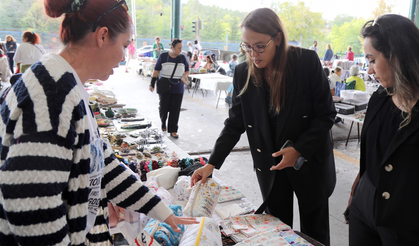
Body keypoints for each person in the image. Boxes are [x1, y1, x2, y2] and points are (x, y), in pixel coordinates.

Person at [0, 0, 197, 245]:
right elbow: (31, 207)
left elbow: (100, 163)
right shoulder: (52, 96)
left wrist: (161, 211)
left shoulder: (66, 84)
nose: (125, 56)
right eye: (125, 45)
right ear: (103, 36)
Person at [191, 8, 336, 245]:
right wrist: (212, 163)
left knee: (315, 232)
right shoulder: (242, 72)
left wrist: (298, 148)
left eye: (259, 46)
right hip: (271, 166)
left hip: (309, 162)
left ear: (277, 39)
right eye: (246, 46)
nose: (253, 53)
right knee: (276, 231)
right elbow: (235, 123)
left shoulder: (305, 62)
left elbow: (326, 115)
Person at [348, 14, 419, 245]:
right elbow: (373, 153)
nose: (368, 70)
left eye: (372, 60)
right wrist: (358, 188)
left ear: (396, 56)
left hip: (404, 219)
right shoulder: (380, 97)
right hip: (364, 206)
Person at [149, 39, 190, 139]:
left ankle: (173, 130)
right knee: (163, 108)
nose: (181, 50)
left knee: (175, 110)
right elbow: (156, 70)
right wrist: (152, 84)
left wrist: (184, 77)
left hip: (178, 87)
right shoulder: (163, 56)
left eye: (181, 48)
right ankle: (163, 122)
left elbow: (187, 71)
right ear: (172, 48)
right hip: (165, 86)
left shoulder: (182, 58)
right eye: (179, 48)